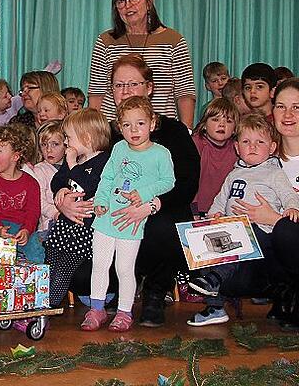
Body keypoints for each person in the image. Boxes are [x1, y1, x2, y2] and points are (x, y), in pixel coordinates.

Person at [65, 54, 199, 328]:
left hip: (160, 215)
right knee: (79, 276)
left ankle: (154, 292)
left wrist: (150, 204)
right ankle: (111, 297)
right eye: (118, 85)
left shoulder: (173, 132)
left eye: (132, 84)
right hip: (113, 217)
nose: (125, 91)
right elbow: (88, 172)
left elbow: (185, 185)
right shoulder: (109, 135)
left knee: (161, 228)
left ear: (149, 88)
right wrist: (63, 196)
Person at [187, 114, 299, 326]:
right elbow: (220, 200)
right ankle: (215, 306)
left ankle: (215, 279)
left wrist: (293, 207)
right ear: (237, 147)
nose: (253, 147)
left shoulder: (273, 173)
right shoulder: (233, 174)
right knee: (205, 243)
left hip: (260, 232)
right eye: (246, 142)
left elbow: (289, 195)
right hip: (232, 229)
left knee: (242, 240)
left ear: (272, 147)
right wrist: (214, 216)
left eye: (260, 142)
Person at [83, 96, 175, 332]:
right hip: (106, 218)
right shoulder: (118, 148)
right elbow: (108, 177)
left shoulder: (160, 153)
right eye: (127, 125)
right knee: (100, 264)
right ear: (119, 127)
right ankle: (97, 309)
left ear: (152, 124)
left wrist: (144, 193)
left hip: (130, 221)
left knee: (124, 268)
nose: (134, 130)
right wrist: (101, 200)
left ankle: (124, 312)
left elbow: (168, 181)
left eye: (140, 124)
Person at [218, 78, 299, 330]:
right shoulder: (258, 159)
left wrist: (273, 218)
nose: (288, 114)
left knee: (285, 230)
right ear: (271, 110)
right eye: (281, 106)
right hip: (261, 246)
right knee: (227, 277)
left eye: (297, 107)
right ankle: (282, 292)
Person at [87, 0, 196, 128]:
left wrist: (186, 132)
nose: (128, 5)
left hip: (161, 129)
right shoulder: (105, 41)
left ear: (149, 2)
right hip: (114, 128)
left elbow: (185, 93)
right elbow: (96, 92)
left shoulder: (174, 40)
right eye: (121, 1)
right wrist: (95, 131)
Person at [45, 110, 111, 310]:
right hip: (65, 226)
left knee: (65, 268)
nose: (66, 143)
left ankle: (50, 304)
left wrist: (73, 165)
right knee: (50, 262)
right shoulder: (75, 159)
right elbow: (58, 180)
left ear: (87, 138)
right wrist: (62, 188)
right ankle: (42, 296)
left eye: (69, 138)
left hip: (84, 229)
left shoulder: (103, 161)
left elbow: (88, 186)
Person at [0, 124, 43, 263]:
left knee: (37, 253)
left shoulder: (31, 183)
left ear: (15, 156)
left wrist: (26, 230)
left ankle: (37, 282)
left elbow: (33, 213)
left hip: (21, 227)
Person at [191, 98, 239, 218]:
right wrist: (193, 210)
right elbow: (188, 181)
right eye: (215, 119)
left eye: (228, 121)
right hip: (196, 209)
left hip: (226, 211)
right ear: (204, 125)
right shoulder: (195, 144)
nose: (222, 124)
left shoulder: (237, 147)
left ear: (234, 129)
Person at [30, 121, 65, 232]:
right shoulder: (40, 170)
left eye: (55, 144)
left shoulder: (73, 167)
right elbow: (39, 201)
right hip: (48, 227)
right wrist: (56, 213)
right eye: (44, 145)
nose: (49, 150)